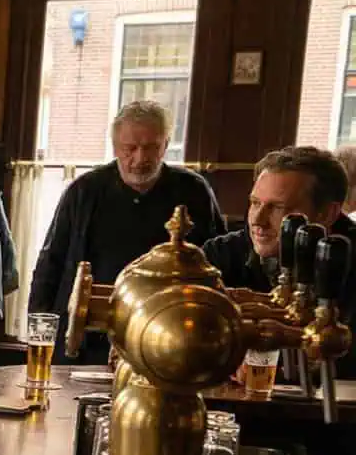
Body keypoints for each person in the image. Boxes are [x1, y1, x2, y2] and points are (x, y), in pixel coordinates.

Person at [27, 101, 221, 361]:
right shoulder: (84, 191)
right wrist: (39, 331)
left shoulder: (193, 191)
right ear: (115, 146)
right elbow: (51, 263)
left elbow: (217, 265)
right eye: (130, 148)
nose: (140, 158)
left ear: (166, 144)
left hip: (169, 337)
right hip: (87, 337)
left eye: (151, 147)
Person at [202, 146, 356, 292]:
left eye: (277, 207)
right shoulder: (220, 254)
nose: (258, 220)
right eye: (255, 203)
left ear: (327, 213)